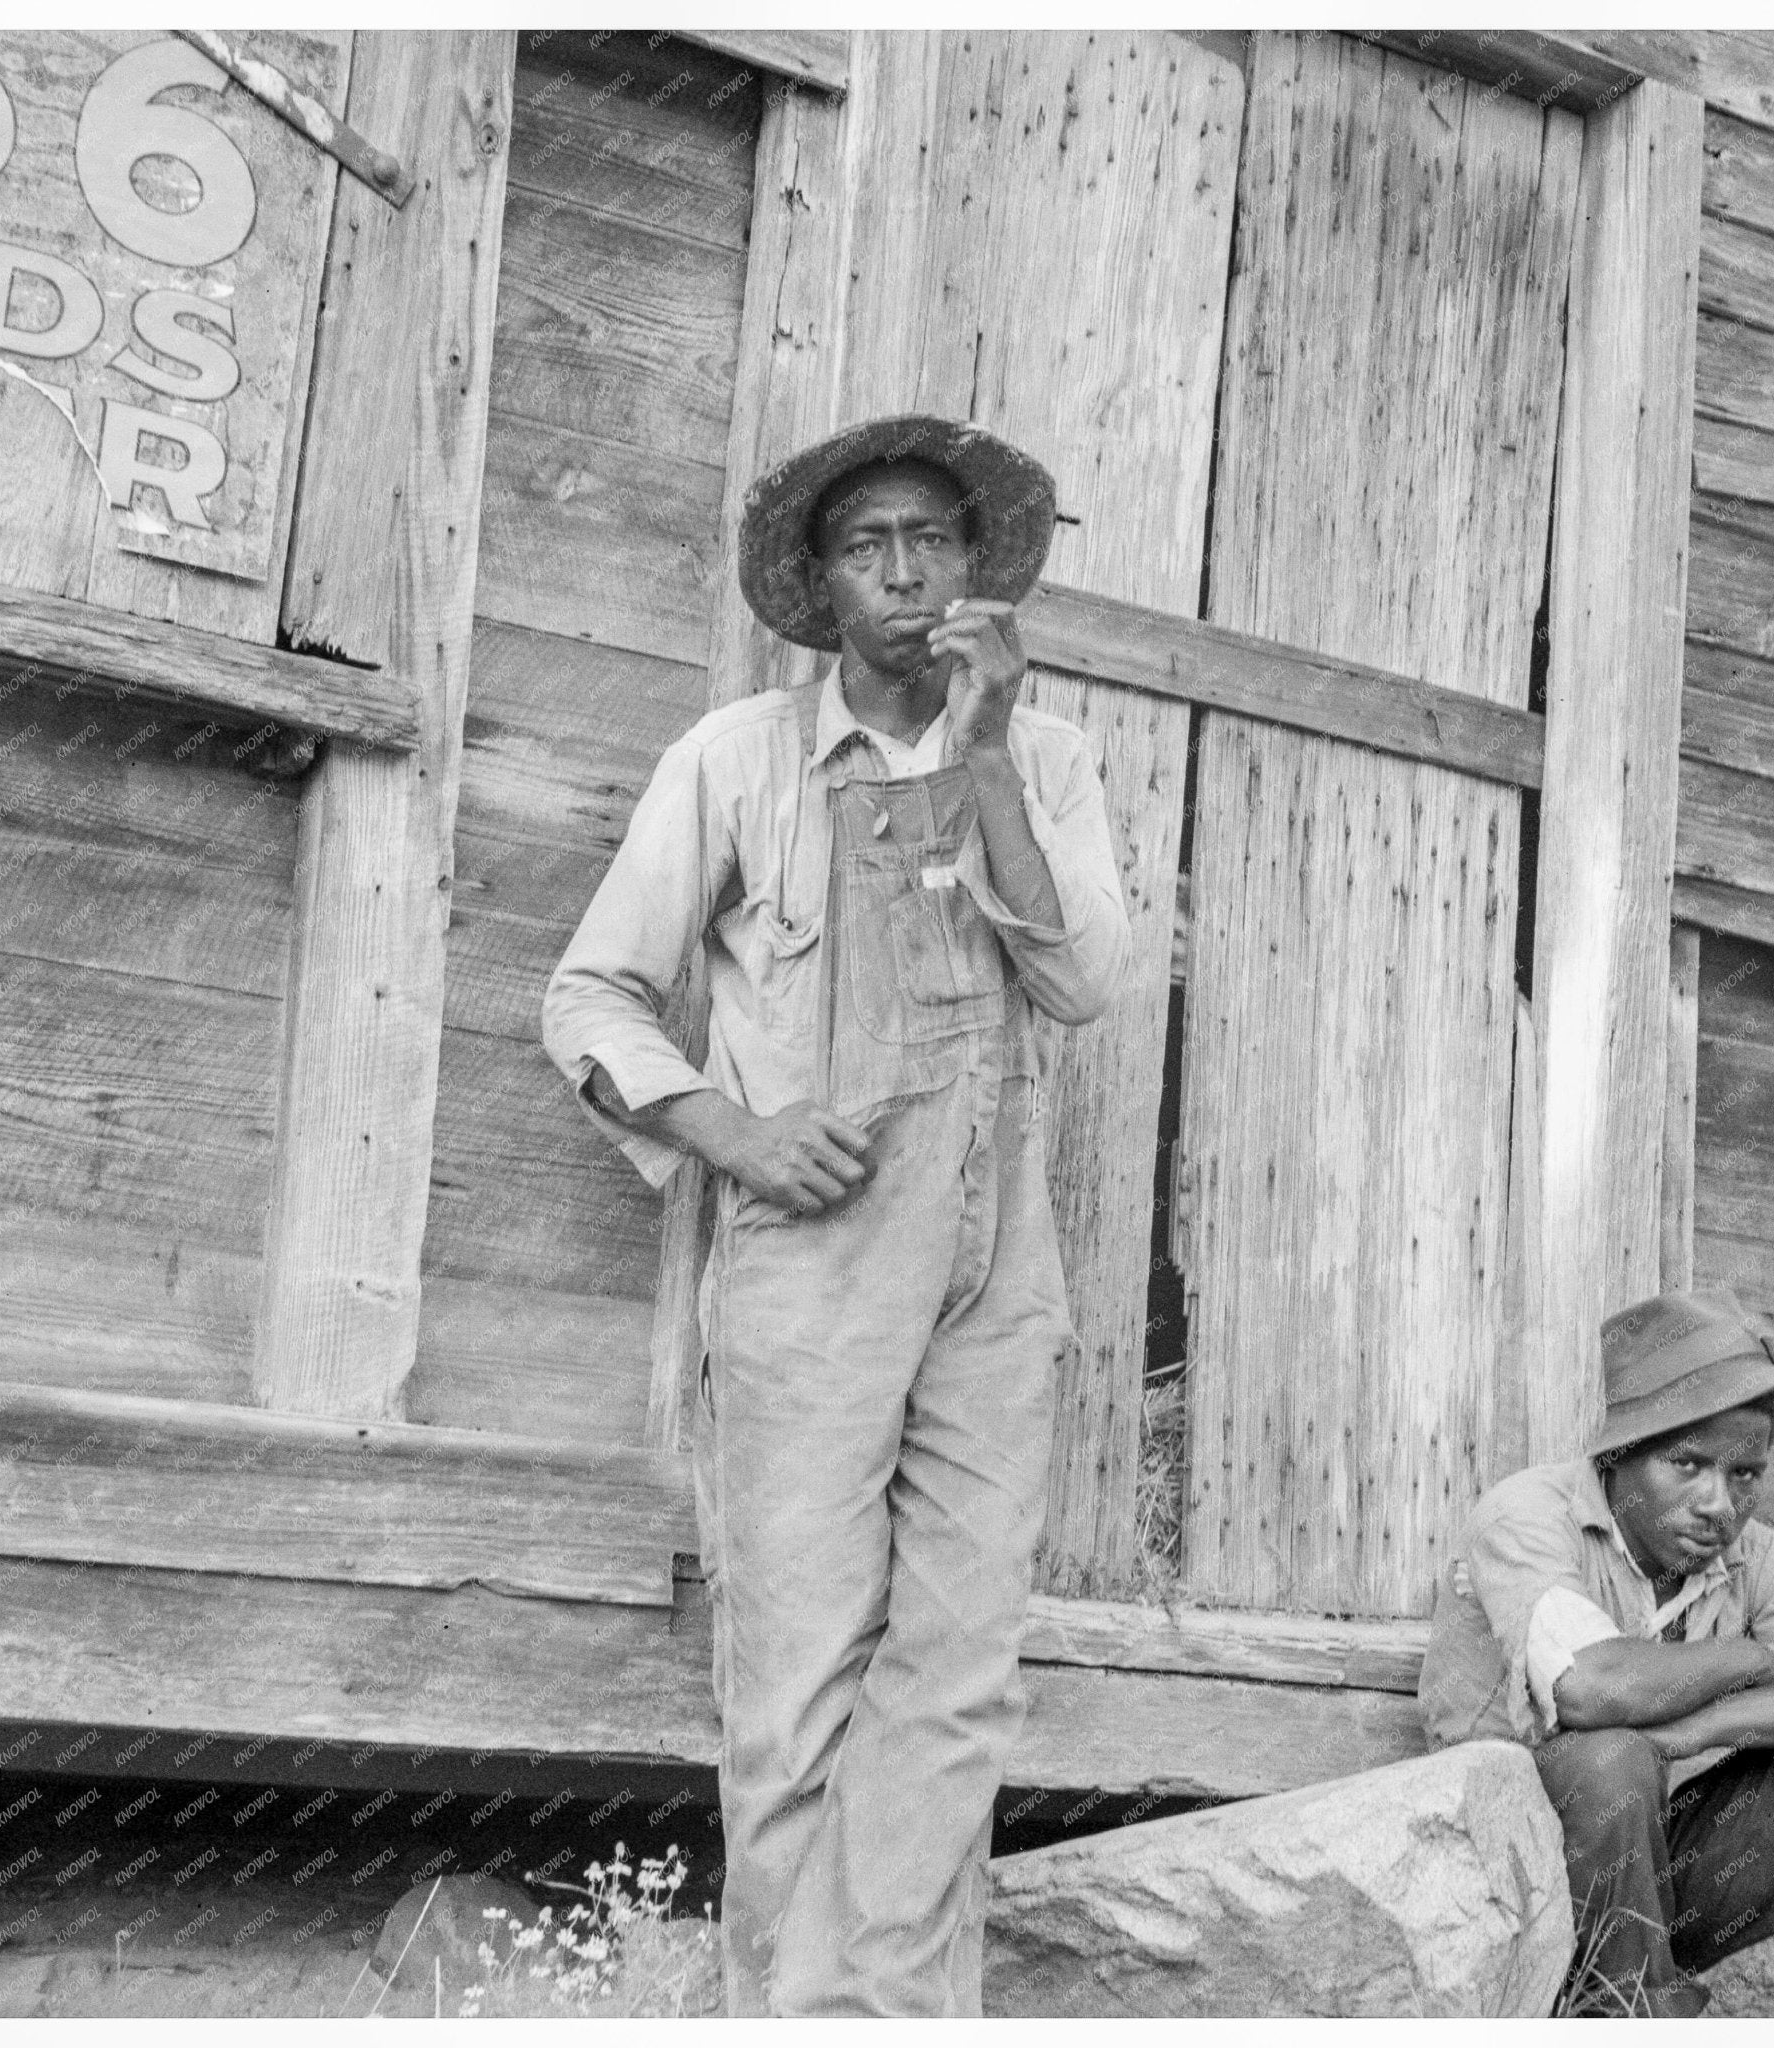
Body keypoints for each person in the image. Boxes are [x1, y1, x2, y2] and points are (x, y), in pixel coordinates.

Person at [542, 414, 1130, 2016]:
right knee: (795, 1688)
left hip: (997, 1266)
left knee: (954, 1684)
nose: (903, 571)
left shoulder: (1050, 759)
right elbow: (590, 999)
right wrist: (732, 1134)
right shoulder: (735, 760)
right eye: (867, 544)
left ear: (975, 567)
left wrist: (992, 750)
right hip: (813, 1269)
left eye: (931, 540)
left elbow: (1082, 986)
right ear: (817, 581)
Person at [1418, 1289, 1774, 2015]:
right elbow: (1592, 1689)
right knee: (1608, 1757)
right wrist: (1748, 1659)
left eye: (1745, 1475)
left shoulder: (1750, 1555)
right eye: (1688, 1464)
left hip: (1649, 1881)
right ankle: (1625, 2015)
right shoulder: (1530, 1516)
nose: (1719, 1504)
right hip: (1494, 1891)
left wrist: (1696, 1731)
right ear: (1620, 1454)